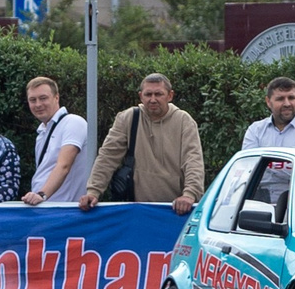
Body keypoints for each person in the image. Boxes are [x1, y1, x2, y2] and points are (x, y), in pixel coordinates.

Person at [79, 72, 206, 213]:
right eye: (148, 94)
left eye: (158, 94)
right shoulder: (128, 118)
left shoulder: (184, 121)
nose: (152, 99)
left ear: (170, 96)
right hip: (137, 209)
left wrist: (189, 194)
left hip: (176, 210)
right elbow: (107, 157)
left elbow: (193, 160)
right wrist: (93, 191)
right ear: (140, 96)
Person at [21, 75, 93, 206]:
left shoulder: (73, 122)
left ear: (56, 97)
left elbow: (63, 166)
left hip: (65, 210)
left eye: (43, 98)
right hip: (44, 208)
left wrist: (41, 194)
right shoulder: (42, 132)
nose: (38, 104)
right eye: (33, 100)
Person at [242, 76, 295, 151]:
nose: (287, 104)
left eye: (291, 98)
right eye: (280, 99)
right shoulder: (255, 131)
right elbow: (248, 165)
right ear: (268, 102)